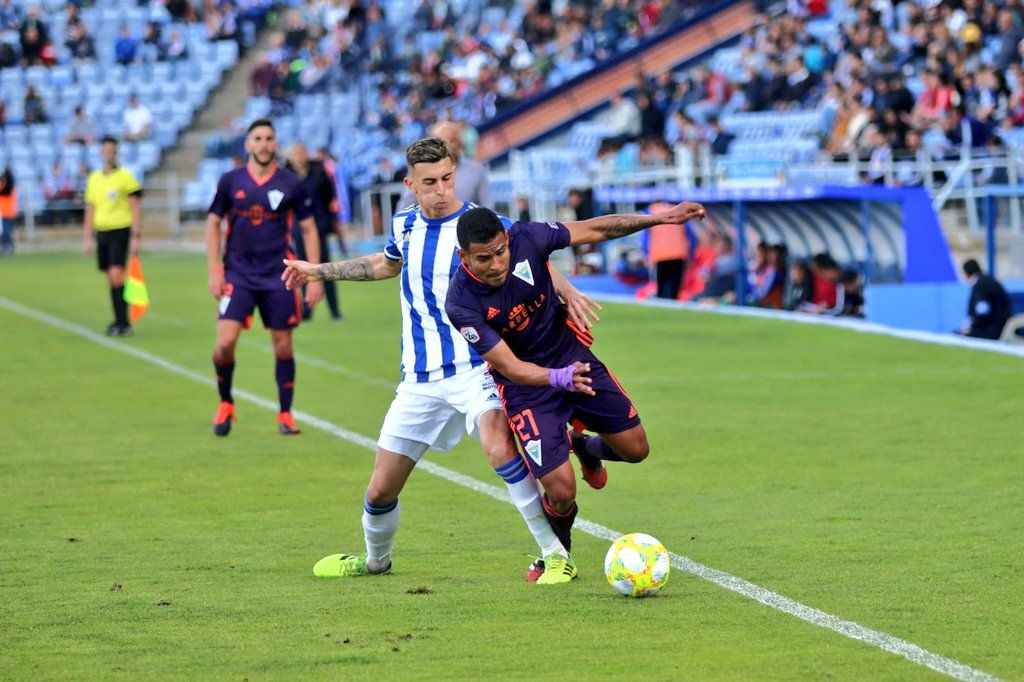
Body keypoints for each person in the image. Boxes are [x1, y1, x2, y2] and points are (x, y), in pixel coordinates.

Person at [280, 137, 600, 585]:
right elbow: (386, 264)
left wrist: (564, 288)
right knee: (380, 490)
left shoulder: (479, 226)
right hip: (419, 378)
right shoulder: (404, 223)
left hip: (476, 368)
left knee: (499, 447)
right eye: (429, 182)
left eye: (447, 179)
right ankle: (375, 562)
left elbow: (531, 253)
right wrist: (321, 270)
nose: (441, 190)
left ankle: (554, 554)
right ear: (411, 184)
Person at [445, 200, 706, 569]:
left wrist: (662, 219)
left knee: (636, 449)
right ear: (463, 256)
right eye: (483, 259)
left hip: (572, 358)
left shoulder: (527, 237)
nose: (496, 265)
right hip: (527, 389)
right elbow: (510, 366)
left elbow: (596, 228)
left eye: (500, 253)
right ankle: (558, 554)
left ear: (507, 239)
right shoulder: (460, 302)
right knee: (563, 490)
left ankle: (583, 446)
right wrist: (558, 378)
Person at [206, 119, 324, 437]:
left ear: (275, 144)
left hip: (279, 276)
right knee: (224, 344)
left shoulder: (290, 183)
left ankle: (285, 413)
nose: (263, 144)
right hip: (238, 274)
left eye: (269, 138)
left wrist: (314, 276)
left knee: (283, 347)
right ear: (247, 144)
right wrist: (214, 270)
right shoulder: (230, 181)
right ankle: (225, 402)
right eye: (257, 138)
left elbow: (310, 228)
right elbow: (213, 223)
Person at [83, 137, 143, 336]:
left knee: (118, 274)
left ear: (116, 153)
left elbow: (135, 206)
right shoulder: (94, 179)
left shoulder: (125, 177)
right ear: (101, 152)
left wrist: (135, 235)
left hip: (120, 229)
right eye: (106, 150)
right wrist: (87, 237)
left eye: (112, 150)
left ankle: (123, 322)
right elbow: (90, 208)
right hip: (103, 232)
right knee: (110, 277)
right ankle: (119, 321)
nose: (109, 153)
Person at [285, 143, 343, 320]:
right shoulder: (286, 175)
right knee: (302, 267)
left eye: (302, 152)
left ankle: (334, 310)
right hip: (297, 228)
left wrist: (328, 220)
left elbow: (329, 195)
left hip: (319, 226)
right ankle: (307, 309)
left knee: (325, 268)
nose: (300, 156)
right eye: (296, 153)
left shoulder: (318, 171)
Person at [396, 121, 491, 208]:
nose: (448, 146)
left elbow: (487, 206)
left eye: (452, 140)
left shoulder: (476, 169)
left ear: (459, 142)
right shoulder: (420, 170)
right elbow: (404, 207)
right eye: (442, 142)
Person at [958, 259, 1011, 340]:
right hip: (999, 325)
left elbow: (982, 312)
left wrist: (972, 328)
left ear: (967, 273)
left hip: (992, 329)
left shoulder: (980, 285)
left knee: (957, 336)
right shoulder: (987, 281)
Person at [0, 167, 15, 255]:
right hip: (6, 213)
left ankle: (8, 248)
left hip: (6, 213)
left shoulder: (7, 189)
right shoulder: (8, 188)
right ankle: (7, 248)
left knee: (6, 232)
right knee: (6, 232)